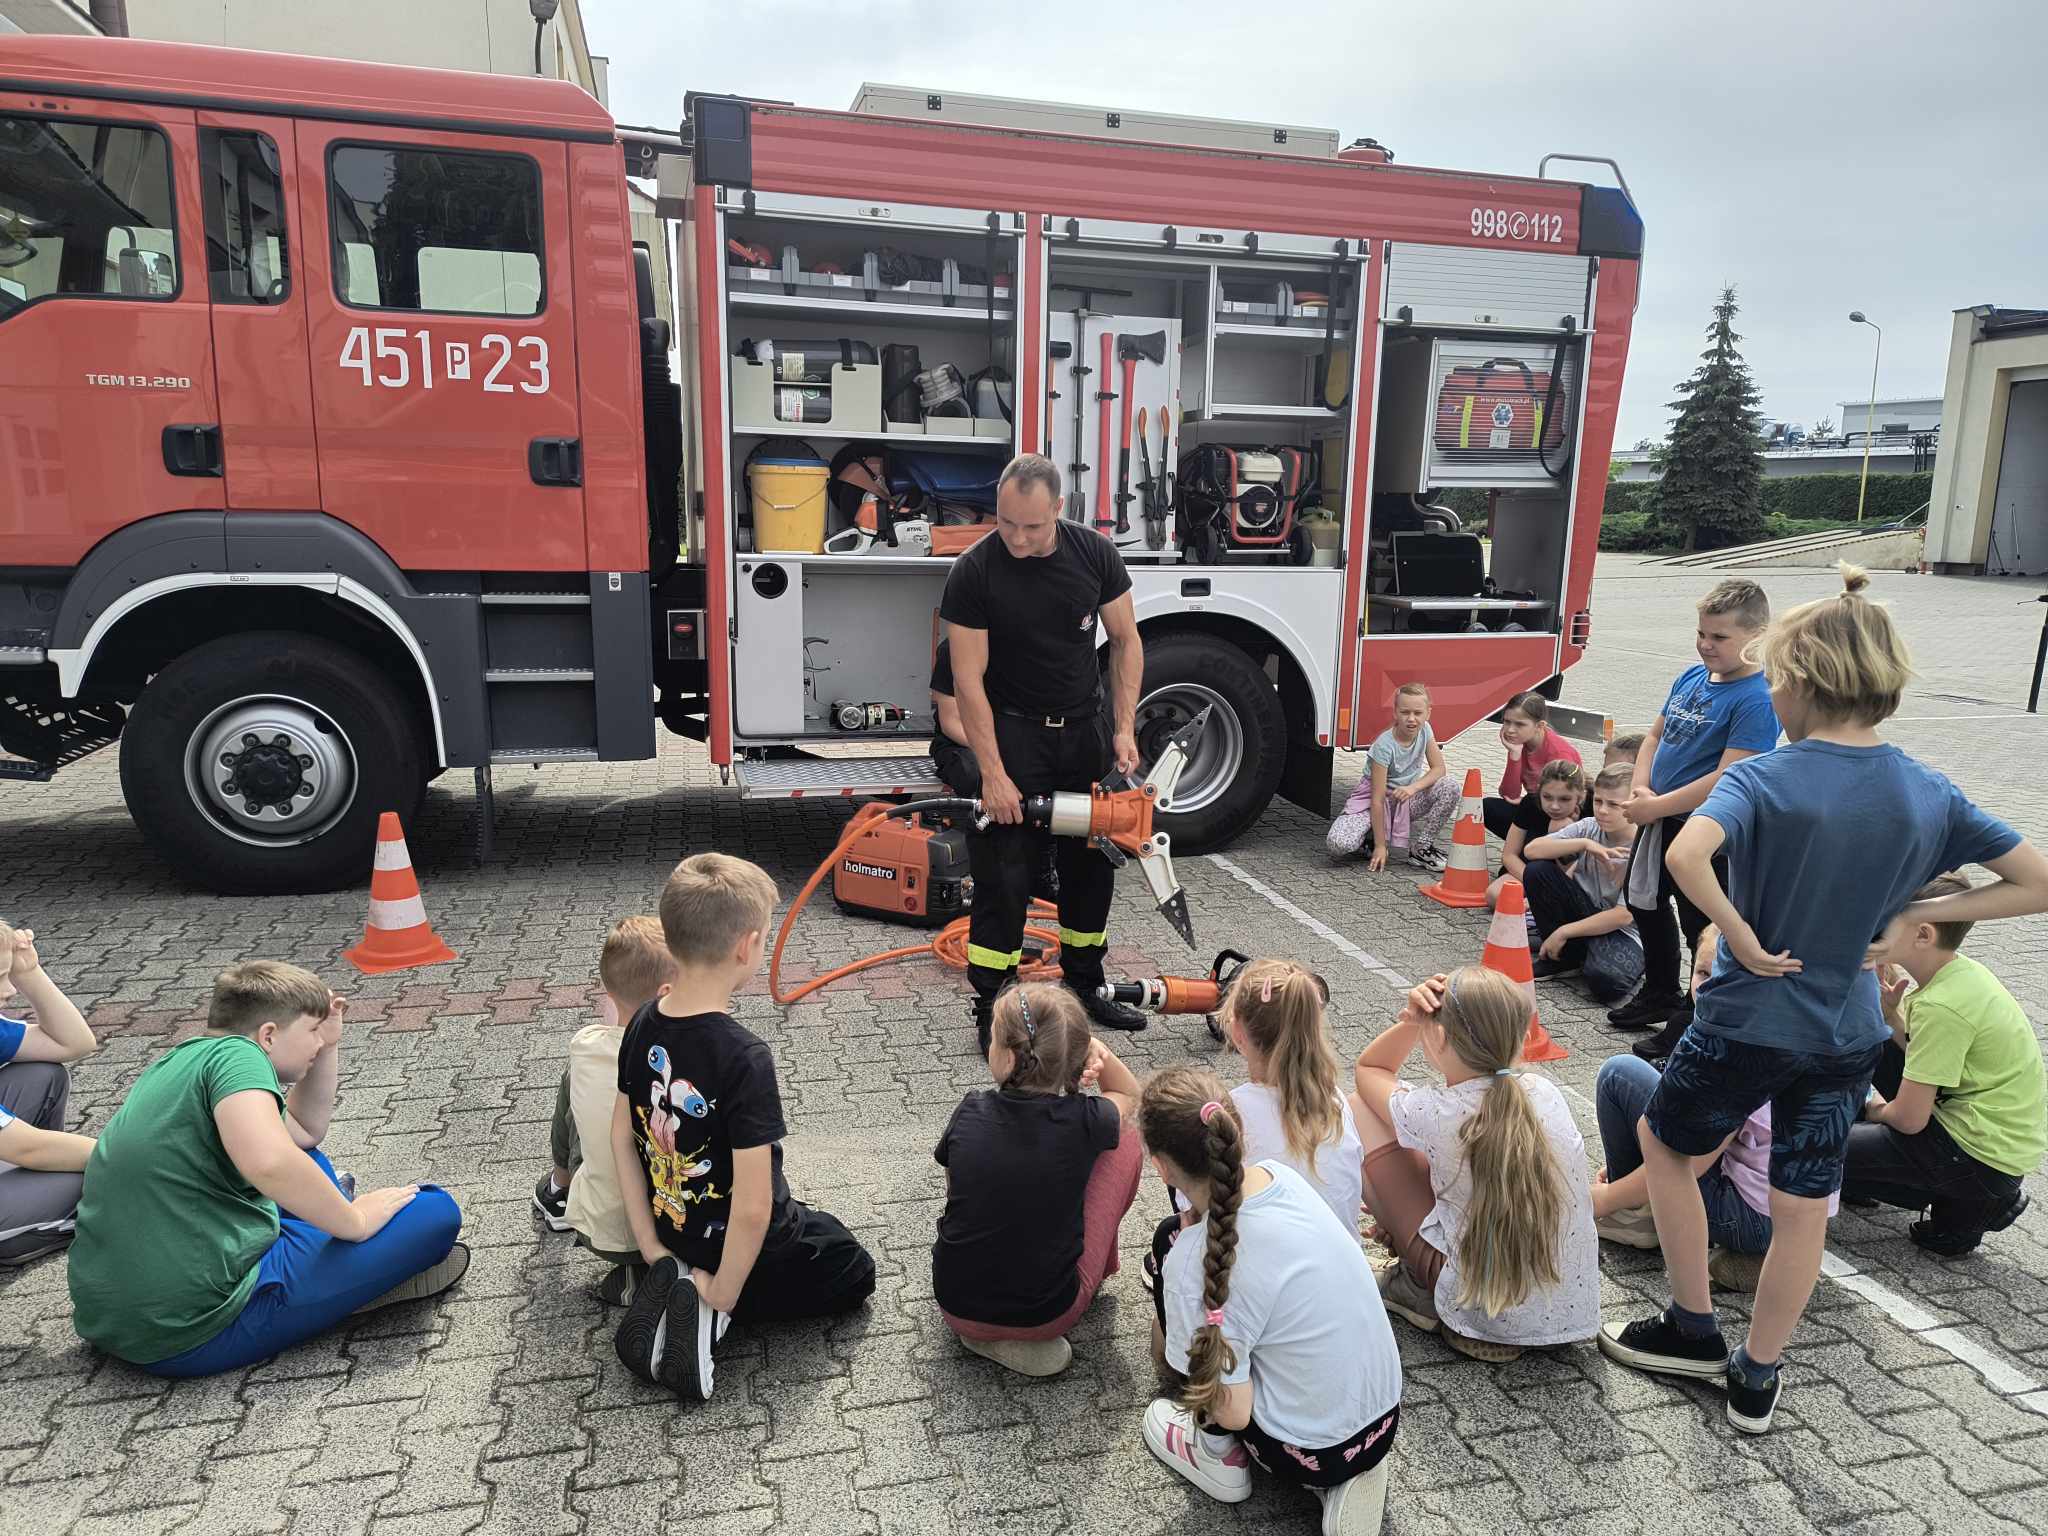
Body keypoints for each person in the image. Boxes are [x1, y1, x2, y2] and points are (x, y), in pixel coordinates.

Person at [1599, 566, 2048, 1437]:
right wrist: (1919, 912)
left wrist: (1740, 933)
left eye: (1775, 675)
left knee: (1665, 1141)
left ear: (1800, 680)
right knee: (1805, 1199)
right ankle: (1758, 1378)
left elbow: (1689, 858)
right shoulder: (1927, 787)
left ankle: (1691, 1329)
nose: (1770, 688)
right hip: (1846, 1032)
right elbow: (2036, 881)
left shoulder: (1765, 776)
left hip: (1747, 1022)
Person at [68, 962, 466, 1376]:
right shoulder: (242, 1058)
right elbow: (269, 1161)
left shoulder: (182, 1060)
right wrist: (356, 1221)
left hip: (115, 1316)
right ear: (269, 1035)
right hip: (189, 1330)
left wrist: (327, 1045)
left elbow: (303, 1133)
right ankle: (354, 1288)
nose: (317, 1040)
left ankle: (336, 1251)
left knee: (306, 1160)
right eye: (312, 1030)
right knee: (435, 1212)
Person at [612, 853, 876, 1402]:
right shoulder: (744, 1056)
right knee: (852, 1264)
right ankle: (710, 1316)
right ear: (746, 947)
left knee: (812, 1221)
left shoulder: (642, 1021)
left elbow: (622, 1137)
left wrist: (650, 1245)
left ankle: (674, 1282)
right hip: (747, 1248)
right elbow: (754, 1208)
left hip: (671, 1230)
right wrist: (724, 1291)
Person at [940, 453, 1147, 1050]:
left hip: (1083, 730)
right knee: (1005, 870)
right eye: (1005, 523)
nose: (1017, 537)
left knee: (1092, 864)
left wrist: (1125, 728)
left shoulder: (1094, 555)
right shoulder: (974, 572)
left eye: (1031, 526)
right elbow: (967, 682)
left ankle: (1085, 987)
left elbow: (1128, 642)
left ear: (1059, 509)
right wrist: (993, 775)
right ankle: (996, 1005)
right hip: (1014, 734)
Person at [1139, 1066, 1400, 1536]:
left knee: (1179, 1268)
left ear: (1160, 1165)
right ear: (1236, 1132)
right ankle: (1338, 1476)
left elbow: (1234, 1411)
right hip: (1384, 1416)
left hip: (1310, 1453)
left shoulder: (1192, 1265)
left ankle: (1217, 1455)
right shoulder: (1282, 1177)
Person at [1350, 968, 1599, 1363]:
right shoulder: (1545, 1093)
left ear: (1441, 1036)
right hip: (1563, 1313)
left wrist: (1413, 1021)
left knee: (1358, 1110)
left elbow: (1370, 1071)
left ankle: (1417, 1283)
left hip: (1480, 1311)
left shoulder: (1438, 1111)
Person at [1592, 925, 1829, 1294]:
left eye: (1726, 977)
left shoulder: (1735, 1053)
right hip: (1801, 1215)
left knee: (1619, 1074)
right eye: (1702, 973)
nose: (1708, 988)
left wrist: (1604, 1198)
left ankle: (1638, 1217)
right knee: (1649, 1088)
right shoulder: (1787, 1025)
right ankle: (1646, 1209)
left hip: (1756, 1220)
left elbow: (1688, 1162)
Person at [932, 983, 1142, 1377]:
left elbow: (955, 1194)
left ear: (1010, 1058)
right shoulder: (1086, 1119)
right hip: (1045, 1314)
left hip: (954, 1301)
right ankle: (1092, 1275)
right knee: (1126, 1137)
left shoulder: (970, 1110)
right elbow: (1128, 1093)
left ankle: (982, 1334)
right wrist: (1094, 1046)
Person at [1609, 580, 1781, 1044]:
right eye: (1702, 633)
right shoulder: (1690, 677)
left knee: (1700, 925)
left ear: (1757, 635)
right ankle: (1661, 990)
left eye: (1720, 637)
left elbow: (1728, 775)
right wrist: (1641, 786)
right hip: (1660, 818)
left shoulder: (1758, 698)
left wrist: (1656, 805)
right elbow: (1654, 737)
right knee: (1644, 899)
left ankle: (1692, 1014)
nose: (1706, 644)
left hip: (1705, 833)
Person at [1847, 871, 2042, 1256]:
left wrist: (1873, 1109)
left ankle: (1972, 1202)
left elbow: (1909, 1120)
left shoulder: (1942, 1005)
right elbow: (1932, 1057)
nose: (1874, 928)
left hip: (1972, 1156)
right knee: (1881, 1040)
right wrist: (1893, 1022)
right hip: (1990, 1148)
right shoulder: (1959, 974)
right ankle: (1971, 1207)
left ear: (1923, 935)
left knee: (1807, 1148)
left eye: (1886, 922)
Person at [532, 916, 679, 1305]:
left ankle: (559, 1190)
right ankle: (658, 1278)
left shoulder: (585, 1044)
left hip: (603, 1228)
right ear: (668, 993)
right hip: (684, 1225)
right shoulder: (685, 1057)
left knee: (575, 1087)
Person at [1218, 958, 1362, 1231]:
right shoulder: (1335, 1101)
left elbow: (1196, 1200)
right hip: (1342, 1265)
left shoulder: (1230, 1110)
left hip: (1270, 1268)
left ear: (1238, 1034)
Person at [929, 635, 1057, 900]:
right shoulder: (953, 649)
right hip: (960, 744)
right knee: (973, 774)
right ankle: (985, 868)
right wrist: (995, 756)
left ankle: (1041, 872)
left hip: (1010, 742)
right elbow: (951, 721)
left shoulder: (1021, 648)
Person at [0, 922, 98, 1265]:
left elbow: (74, 1043)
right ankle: (17, 1236)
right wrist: (139, 1155)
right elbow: (29, 1148)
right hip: (20, 1146)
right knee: (97, 1179)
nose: (10, 990)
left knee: (42, 1073)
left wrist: (31, 973)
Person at [1521, 764, 1645, 1006]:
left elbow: (1622, 916)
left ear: (1633, 803)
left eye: (1613, 804)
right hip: (1587, 910)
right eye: (1598, 801)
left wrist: (1564, 931)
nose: (1603, 811)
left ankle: (1580, 951)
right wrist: (1585, 845)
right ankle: (1565, 959)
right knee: (1538, 870)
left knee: (1606, 984)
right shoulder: (1589, 827)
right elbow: (1532, 850)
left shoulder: (1643, 845)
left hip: (1622, 931)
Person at [1326, 682, 1457, 872]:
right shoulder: (1384, 745)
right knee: (1338, 843)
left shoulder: (1425, 729)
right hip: (1373, 803)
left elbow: (1439, 769)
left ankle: (1421, 849)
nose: (1411, 719)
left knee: (1450, 786)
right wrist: (1381, 846)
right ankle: (1371, 839)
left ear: (1428, 713)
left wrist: (1413, 788)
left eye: (1418, 713)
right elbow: (1377, 800)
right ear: (1395, 712)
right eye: (1405, 712)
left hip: (1403, 799)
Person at [1481, 691, 1582, 840]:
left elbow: (1564, 802)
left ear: (1539, 726)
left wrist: (1528, 802)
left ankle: (1532, 850)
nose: (1510, 730)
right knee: (1486, 807)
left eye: (1519, 724)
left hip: (1559, 815)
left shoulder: (1559, 753)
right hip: (1537, 808)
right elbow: (1509, 795)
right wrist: (1514, 755)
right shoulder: (1521, 744)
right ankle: (1522, 847)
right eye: (1507, 721)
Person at [1488, 759, 1586, 912]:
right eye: (1547, 797)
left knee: (1561, 826)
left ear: (1580, 796)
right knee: (1495, 895)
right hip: (1529, 870)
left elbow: (1581, 870)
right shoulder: (1530, 803)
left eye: (1564, 799)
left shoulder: (1590, 811)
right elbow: (1509, 855)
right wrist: (1538, 885)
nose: (1554, 806)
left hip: (1572, 877)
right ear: (1539, 791)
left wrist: (1563, 832)